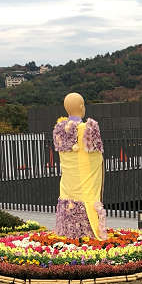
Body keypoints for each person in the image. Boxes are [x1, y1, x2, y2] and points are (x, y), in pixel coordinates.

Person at [53, 92, 107, 239]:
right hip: (85, 186)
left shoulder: (59, 130)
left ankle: (68, 232)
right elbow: (96, 156)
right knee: (87, 198)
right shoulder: (88, 128)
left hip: (67, 185)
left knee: (68, 198)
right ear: (82, 107)